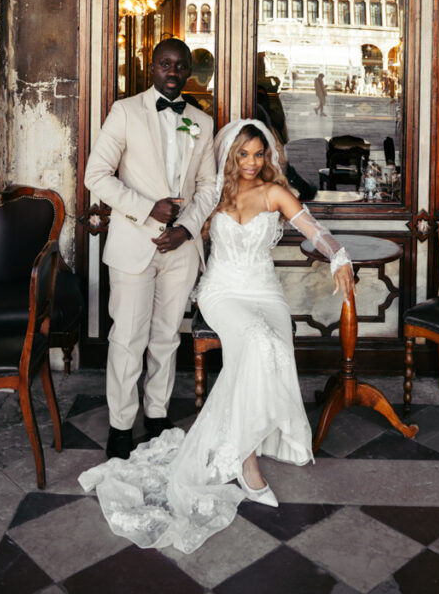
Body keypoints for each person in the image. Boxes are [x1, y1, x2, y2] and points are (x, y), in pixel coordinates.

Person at [79, 118, 354, 554]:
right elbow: (181, 222)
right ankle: (245, 460)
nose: (250, 162)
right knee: (258, 343)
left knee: (271, 340)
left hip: (265, 293)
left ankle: (253, 438)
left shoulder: (275, 192)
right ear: (230, 156)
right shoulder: (215, 196)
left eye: (258, 154)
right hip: (222, 292)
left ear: (268, 157)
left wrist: (339, 257)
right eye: (242, 154)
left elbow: (314, 231)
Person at [84, 38, 217, 461]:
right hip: (133, 243)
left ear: (189, 71)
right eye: (165, 64)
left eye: (180, 66)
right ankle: (121, 424)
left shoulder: (201, 121)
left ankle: (157, 414)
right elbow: (96, 175)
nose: (173, 72)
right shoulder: (125, 112)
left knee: (165, 338)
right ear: (152, 67)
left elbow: (209, 186)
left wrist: (188, 228)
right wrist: (147, 210)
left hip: (180, 248)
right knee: (127, 338)